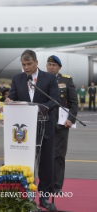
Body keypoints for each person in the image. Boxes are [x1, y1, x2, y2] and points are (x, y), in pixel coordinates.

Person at [7, 50, 60, 209]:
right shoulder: (17, 79)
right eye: (23, 65)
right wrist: (9, 102)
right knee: (27, 164)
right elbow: (13, 98)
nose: (26, 68)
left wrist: (43, 109)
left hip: (45, 128)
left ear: (36, 62)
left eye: (29, 64)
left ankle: (44, 197)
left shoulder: (49, 78)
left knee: (45, 164)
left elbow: (55, 100)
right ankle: (27, 196)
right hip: (25, 131)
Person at [46, 55, 78, 195]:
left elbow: (73, 102)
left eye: (54, 65)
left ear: (59, 67)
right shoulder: (41, 80)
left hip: (61, 124)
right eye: (49, 65)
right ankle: (46, 185)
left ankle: (57, 186)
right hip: (45, 122)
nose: (51, 67)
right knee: (45, 155)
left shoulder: (66, 80)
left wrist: (71, 119)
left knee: (58, 155)